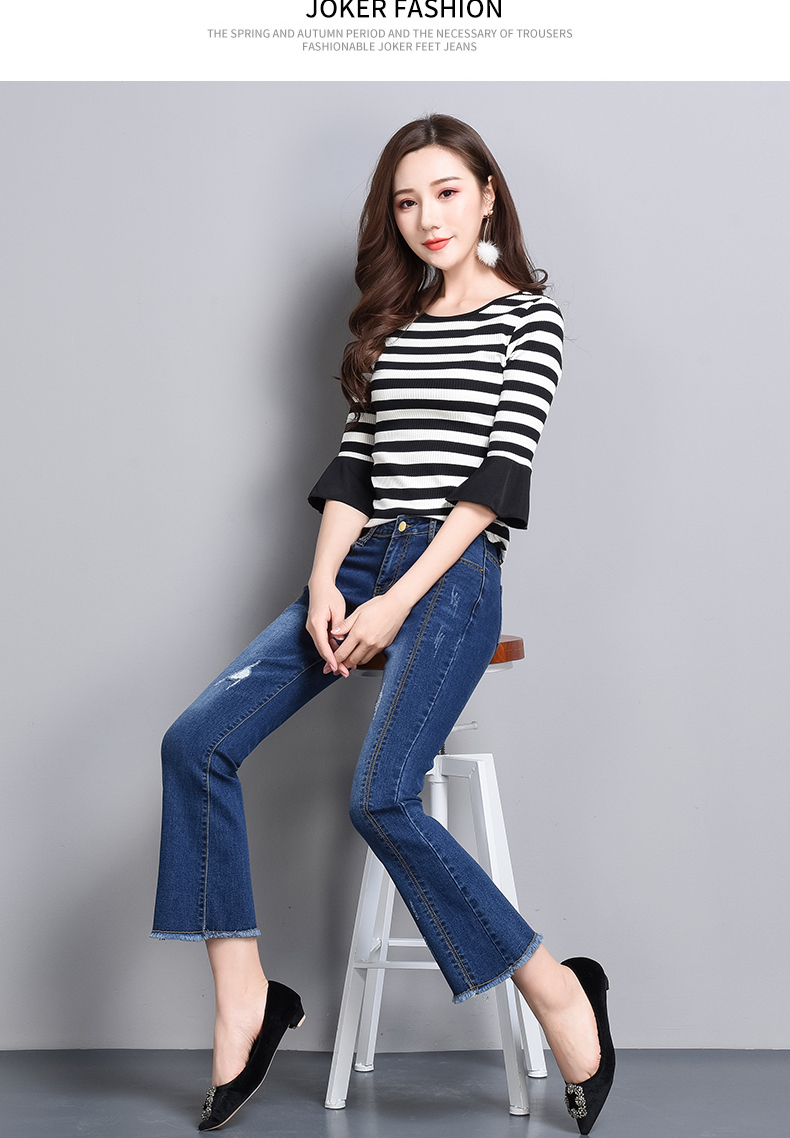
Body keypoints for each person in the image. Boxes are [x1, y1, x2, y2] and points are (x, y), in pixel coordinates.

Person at [151, 114, 615, 1135]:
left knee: (382, 795)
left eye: (445, 192)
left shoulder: (529, 321)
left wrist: (397, 601)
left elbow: (494, 482)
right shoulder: (392, 327)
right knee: (195, 743)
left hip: (452, 577)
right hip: (358, 562)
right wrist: (324, 583)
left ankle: (557, 989)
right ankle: (245, 997)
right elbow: (356, 467)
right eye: (406, 202)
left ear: (487, 194)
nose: (426, 217)